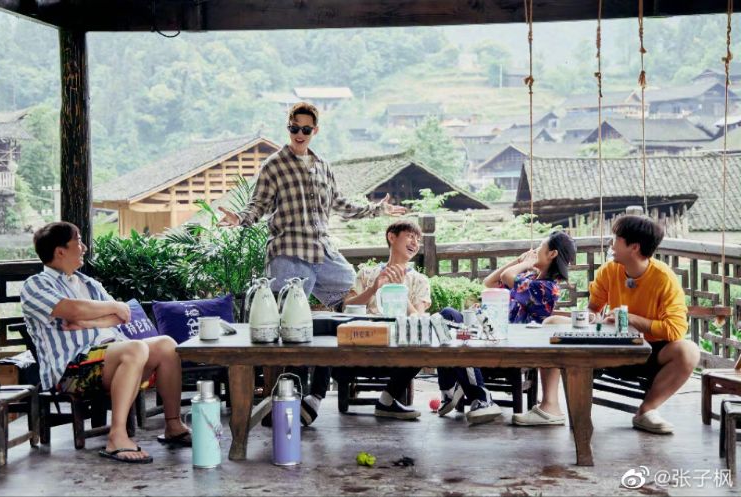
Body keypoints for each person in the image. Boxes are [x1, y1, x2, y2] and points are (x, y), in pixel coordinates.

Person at [218, 102, 405, 423]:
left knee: (349, 294)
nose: (299, 134)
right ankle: (282, 401)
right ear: (288, 128)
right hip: (289, 252)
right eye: (294, 128)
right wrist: (240, 218)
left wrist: (376, 209)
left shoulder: (322, 166)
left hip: (322, 251)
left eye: (306, 129)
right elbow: (258, 205)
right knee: (290, 333)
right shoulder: (274, 165)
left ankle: (314, 390)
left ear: (315, 130)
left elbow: (341, 204)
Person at [20, 222, 191, 464]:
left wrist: (85, 321)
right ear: (60, 251)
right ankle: (117, 437)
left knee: (166, 345)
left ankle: (173, 425)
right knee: (135, 348)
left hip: (110, 359)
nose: (84, 247)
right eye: (78, 241)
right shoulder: (36, 284)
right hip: (71, 370)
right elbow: (72, 309)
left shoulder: (88, 283)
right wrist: (111, 306)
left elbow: (122, 317)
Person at [512, 215, 699, 434]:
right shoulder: (609, 270)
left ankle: (647, 411)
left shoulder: (664, 278)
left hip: (649, 351)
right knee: (552, 322)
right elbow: (593, 309)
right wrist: (592, 318)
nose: (611, 243)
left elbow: (676, 330)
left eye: (616, 238)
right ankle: (550, 407)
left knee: (688, 351)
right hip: (610, 343)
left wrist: (632, 319)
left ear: (634, 247)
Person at [437, 231, 576, 425]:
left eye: (540, 247)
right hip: (496, 336)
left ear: (552, 254)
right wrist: (519, 261)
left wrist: (525, 264)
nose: (535, 250)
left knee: (463, 340)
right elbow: (490, 282)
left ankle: (478, 396)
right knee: (447, 316)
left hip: (514, 344)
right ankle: (450, 388)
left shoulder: (546, 288)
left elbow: (506, 276)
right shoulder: (529, 277)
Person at [302, 220, 428, 422]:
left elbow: (419, 320)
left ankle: (386, 401)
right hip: (355, 352)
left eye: (418, 240)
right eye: (410, 236)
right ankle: (315, 398)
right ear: (392, 237)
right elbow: (346, 307)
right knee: (331, 331)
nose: (415, 243)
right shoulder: (367, 273)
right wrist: (373, 289)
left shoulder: (420, 280)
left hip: (396, 356)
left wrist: (398, 290)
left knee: (423, 344)